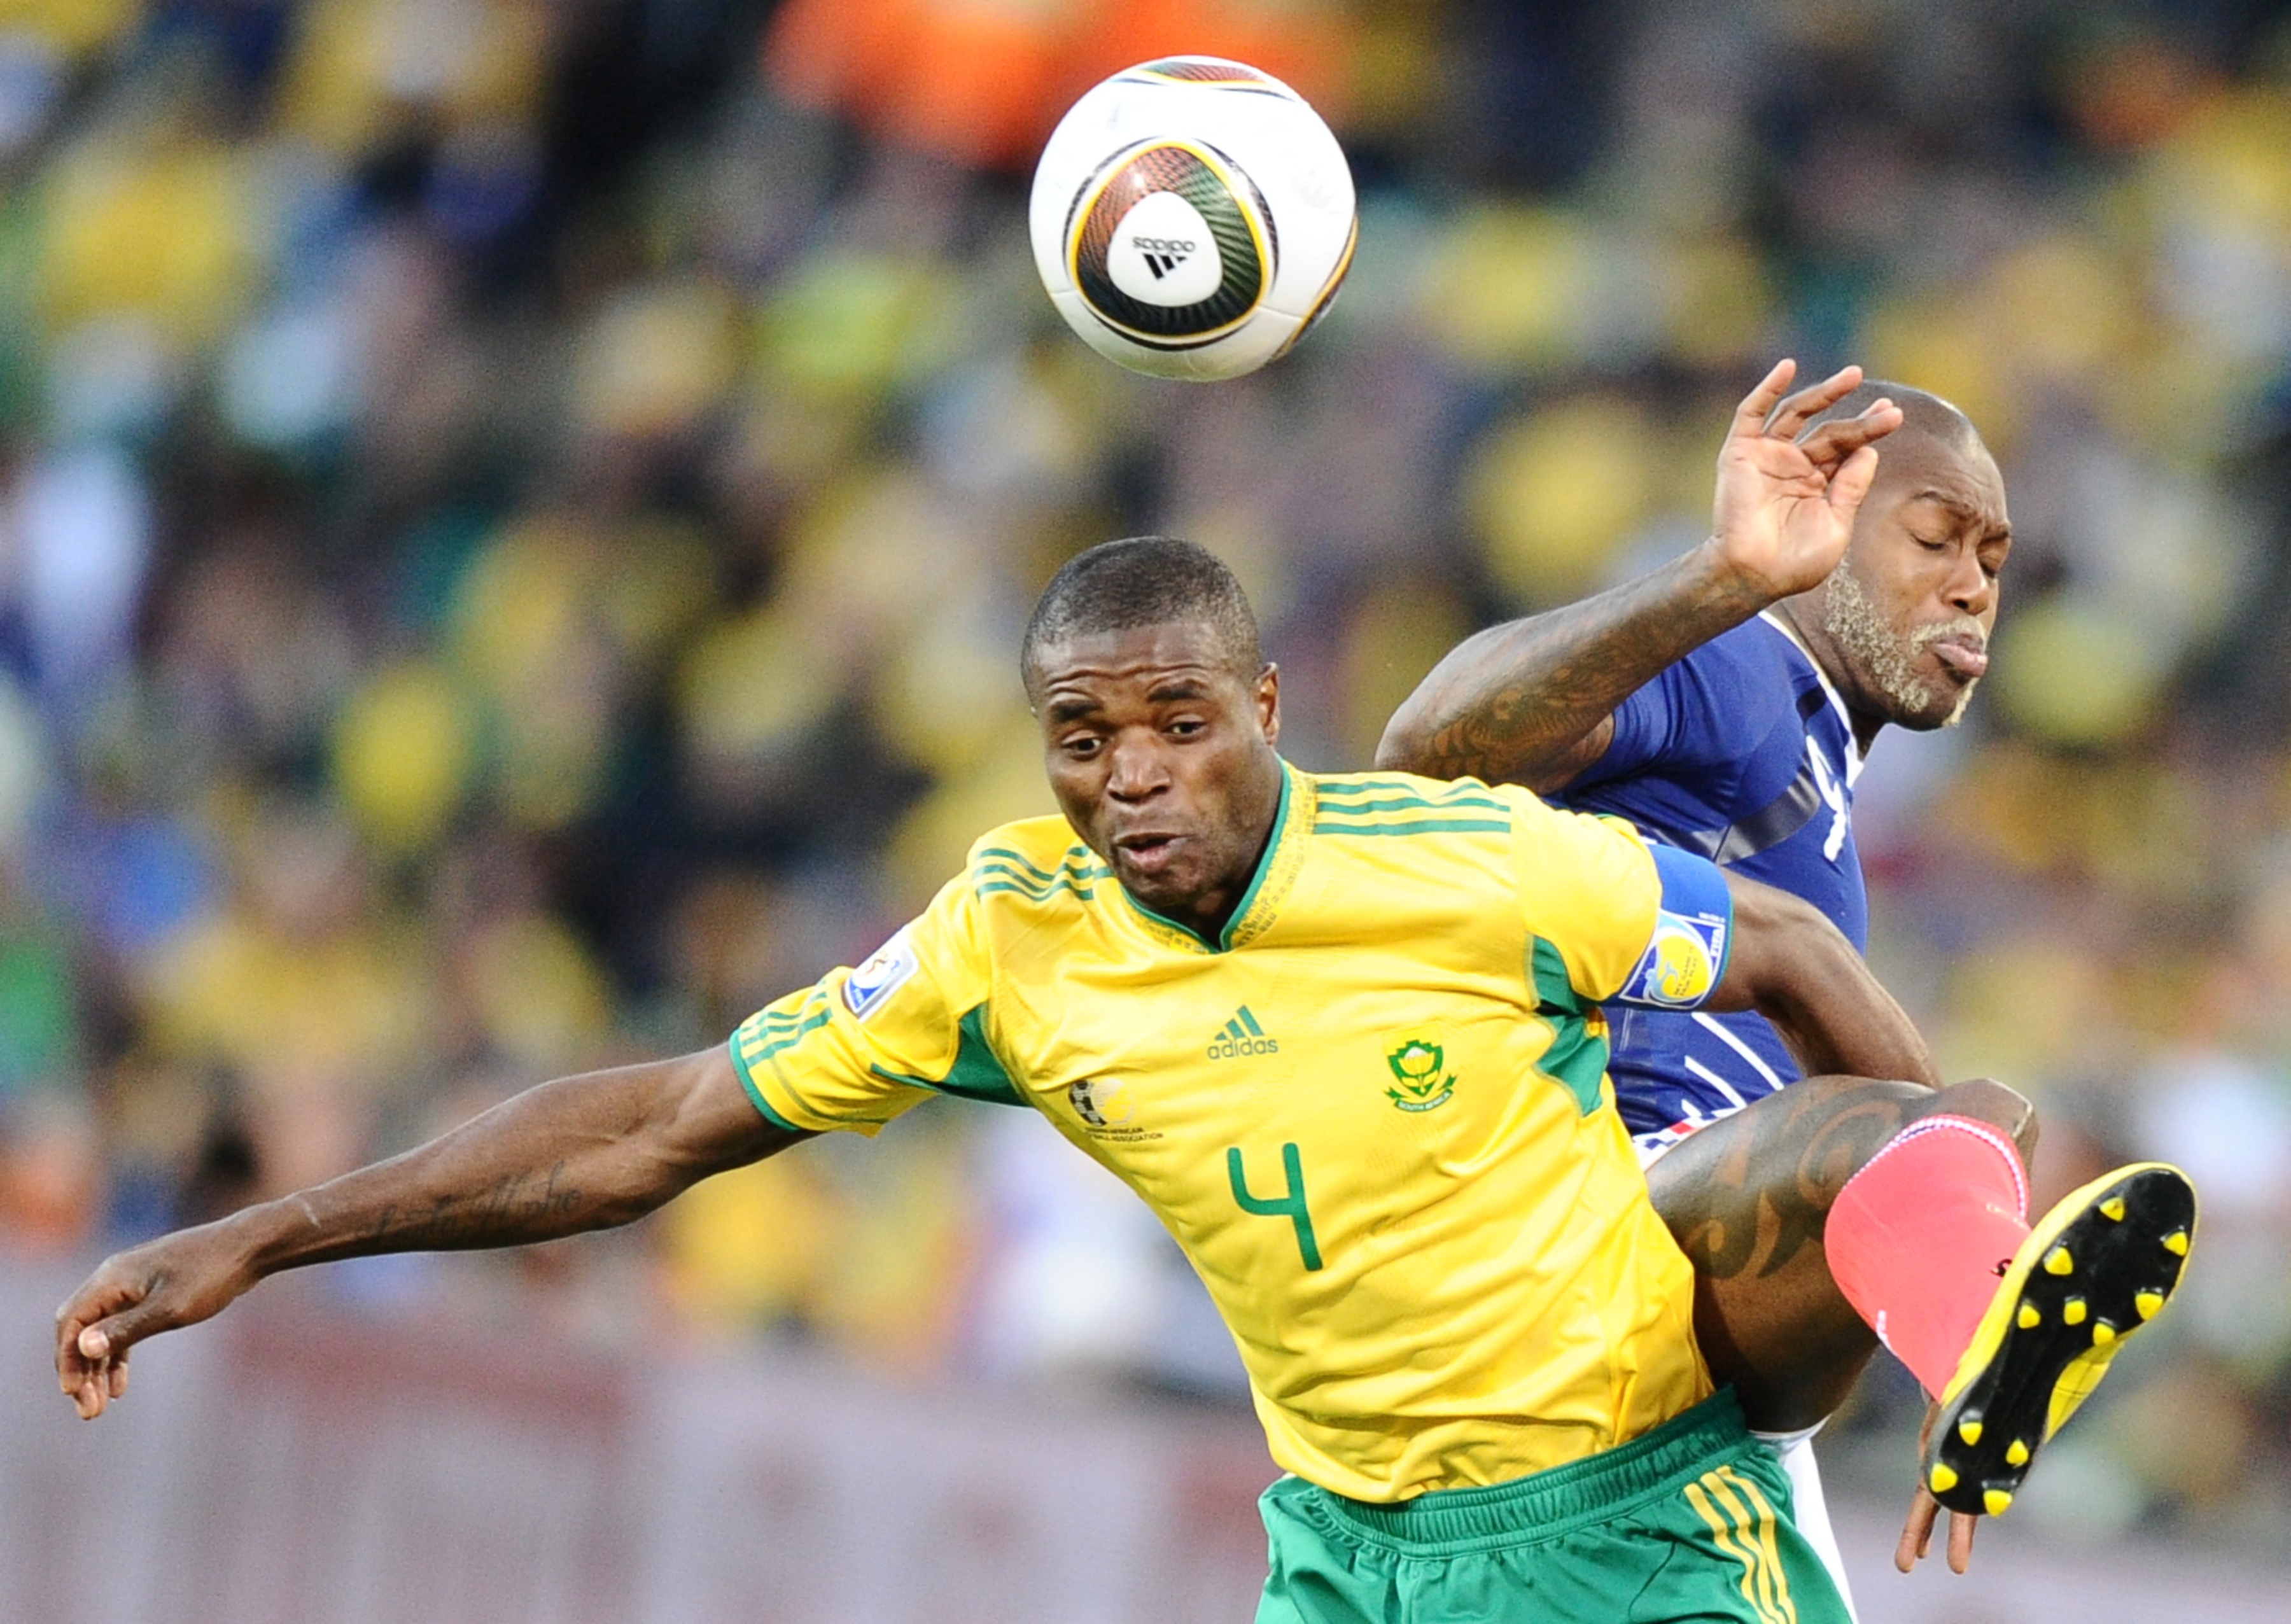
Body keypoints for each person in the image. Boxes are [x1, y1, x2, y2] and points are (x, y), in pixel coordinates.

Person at [64, 530, 2082, 1624]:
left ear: (1266, 712)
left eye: (1178, 726)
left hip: (1628, 1518)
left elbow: (1800, 945)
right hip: (1347, 1548)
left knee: (1899, 1136)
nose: (1129, 781)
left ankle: (1973, 1273)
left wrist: (1941, 1197)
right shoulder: (1010, 940)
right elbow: (661, 1123)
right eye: (1081, 737)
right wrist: (274, 1229)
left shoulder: (1462, 861)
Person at [1378, 360, 2197, 1590]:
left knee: (1973, 1132)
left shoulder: (1813, 778)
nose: (1975, 585)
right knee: (1948, 1128)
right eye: (1937, 538)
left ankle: (1967, 1328)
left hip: (1689, 1357)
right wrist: (1729, 578)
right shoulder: (1742, 672)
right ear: (1825, 525)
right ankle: (1977, 1314)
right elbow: (1426, 752)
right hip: (1601, 1215)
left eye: (1997, 559)